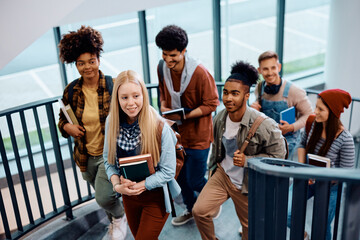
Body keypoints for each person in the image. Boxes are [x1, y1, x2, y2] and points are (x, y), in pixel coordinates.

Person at [192, 61, 287, 240]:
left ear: (246, 95)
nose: (228, 98)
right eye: (226, 92)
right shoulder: (220, 118)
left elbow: (279, 158)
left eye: (235, 93)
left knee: (250, 229)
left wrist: (248, 161)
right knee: (199, 211)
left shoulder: (265, 125)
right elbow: (216, 149)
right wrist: (213, 171)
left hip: (248, 184)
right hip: (223, 176)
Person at [57, 26, 126, 240]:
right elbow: (62, 119)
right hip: (85, 156)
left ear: (99, 59)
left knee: (104, 197)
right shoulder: (71, 90)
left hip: (110, 155)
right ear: (75, 64)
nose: (87, 67)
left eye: (91, 61)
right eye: (81, 63)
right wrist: (66, 127)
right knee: (104, 194)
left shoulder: (113, 86)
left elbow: (131, 115)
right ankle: (114, 221)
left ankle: (120, 217)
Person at [103, 70, 181, 240]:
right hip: (128, 196)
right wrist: (117, 186)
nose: (131, 103)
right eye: (124, 97)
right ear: (117, 98)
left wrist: (141, 185)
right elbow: (108, 162)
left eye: (136, 96)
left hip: (156, 197)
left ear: (143, 96)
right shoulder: (112, 122)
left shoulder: (160, 127)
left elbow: (168, 172)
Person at [155, 25, 220, 226]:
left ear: (184, 51)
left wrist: (187, 115)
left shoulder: (200, 73)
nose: (168, 59)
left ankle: (213, 201)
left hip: (199, 136)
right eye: (165, 54)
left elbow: (212, 103)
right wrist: (164, 108)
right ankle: (191, 209)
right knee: (181, 179)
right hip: (175, 135)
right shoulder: (162, 67)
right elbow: (162, 95)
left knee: (196, 180)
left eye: (173, 55)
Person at [287, 89, 355, 240]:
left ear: (333, 112)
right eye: (316, 107)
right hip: (308, 179)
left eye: (320, 109)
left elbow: (346, 173)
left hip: (330, 188)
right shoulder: (313, 123)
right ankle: (304, 236)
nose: (315, 111)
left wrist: (319, 177)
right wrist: (303, 168)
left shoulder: (346, 140)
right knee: (287, 213)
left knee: (322, 226)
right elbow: (301, 144)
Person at [250, 51, 312, 159]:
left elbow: (310, 115)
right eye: (265, 69)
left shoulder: (294, 91)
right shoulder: (259, 88)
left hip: (288, 141)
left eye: (273, 68)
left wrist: (292, 127)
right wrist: (254, 110)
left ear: (279, 67)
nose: (270, 73)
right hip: (267, 139)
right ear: (259, 70)